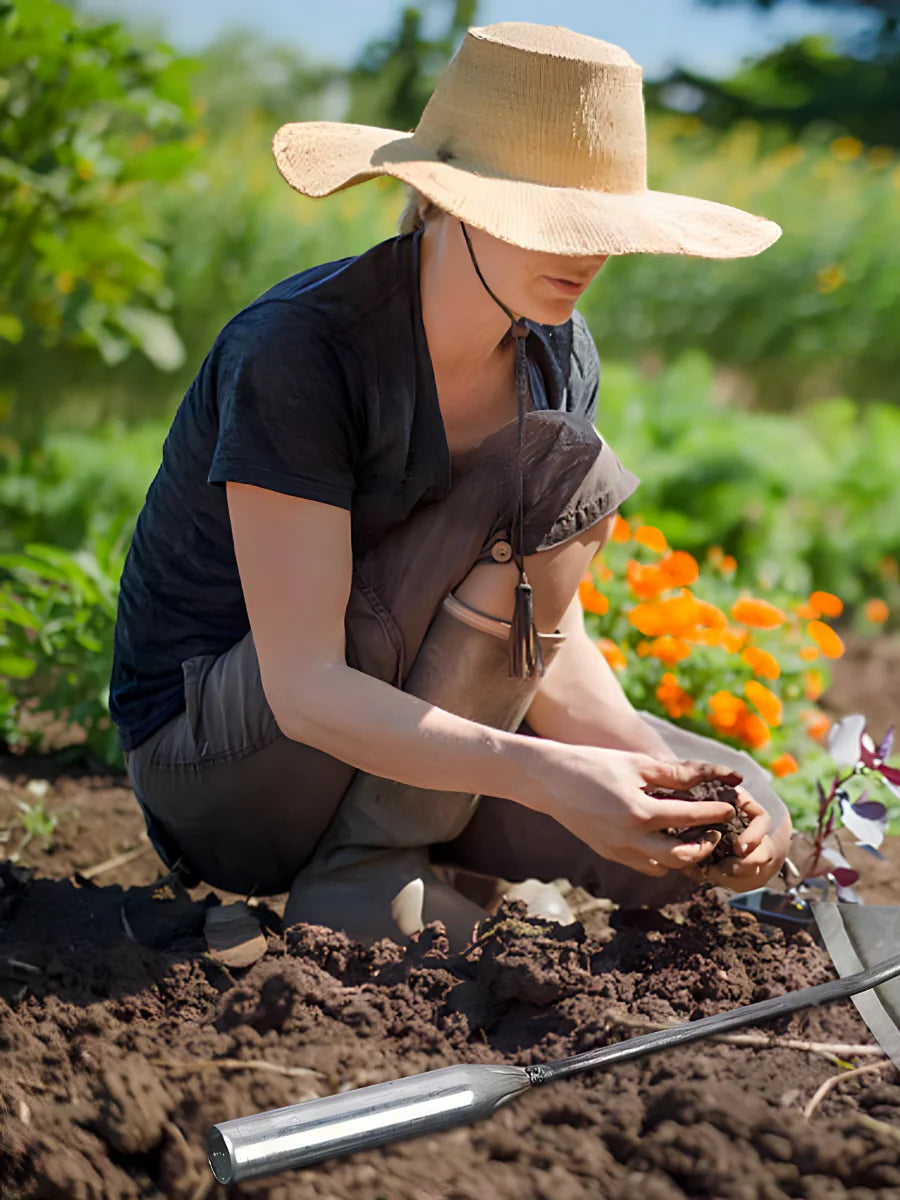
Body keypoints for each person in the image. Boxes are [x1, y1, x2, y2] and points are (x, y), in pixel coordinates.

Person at [109, 21, 794, 948]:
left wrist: (662, 777)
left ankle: (403, 866)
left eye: (603, 225)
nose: (587, 254)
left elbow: (537, 637)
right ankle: (363, 881)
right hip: (229, 765)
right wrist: (547, 774)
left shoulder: (553, 350)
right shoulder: (304, 350)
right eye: (554, 220)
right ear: (453, 202)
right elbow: (306, 686)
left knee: (722, 799)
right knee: (560, 468)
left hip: (398, 753)